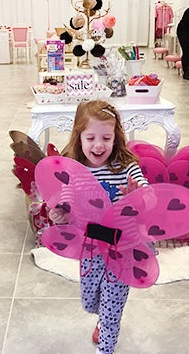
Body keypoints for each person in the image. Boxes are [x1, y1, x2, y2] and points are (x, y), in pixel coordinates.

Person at [48, 100, 148, 354]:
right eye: (91, 138)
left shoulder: (126, 167)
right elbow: (67, 205)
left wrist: (137, 196)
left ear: (116, 138)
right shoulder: (74, 170)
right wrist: (60, 215)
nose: (99, 145)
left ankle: (106, 343)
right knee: (90, 300)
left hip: (122, 248)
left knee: (113, 302)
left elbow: (150, 198)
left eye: (106, 138)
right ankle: (103, 318)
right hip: (90, 248)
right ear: (79, 138)